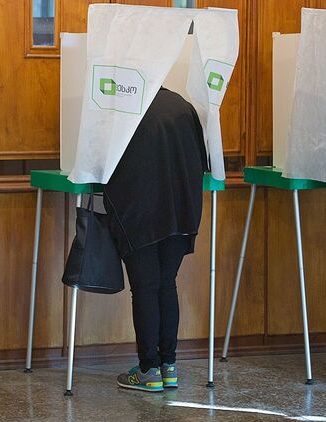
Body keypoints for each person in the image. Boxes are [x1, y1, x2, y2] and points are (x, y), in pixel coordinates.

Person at [105, 87, 207, 392]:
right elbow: (201, 161)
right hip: (180, 212)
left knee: (145, 288)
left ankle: (148, 370)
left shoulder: (125, 106)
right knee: (166, 283)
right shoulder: (181, 106)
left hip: (140, 212)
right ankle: (168, 367)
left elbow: (104, 162)